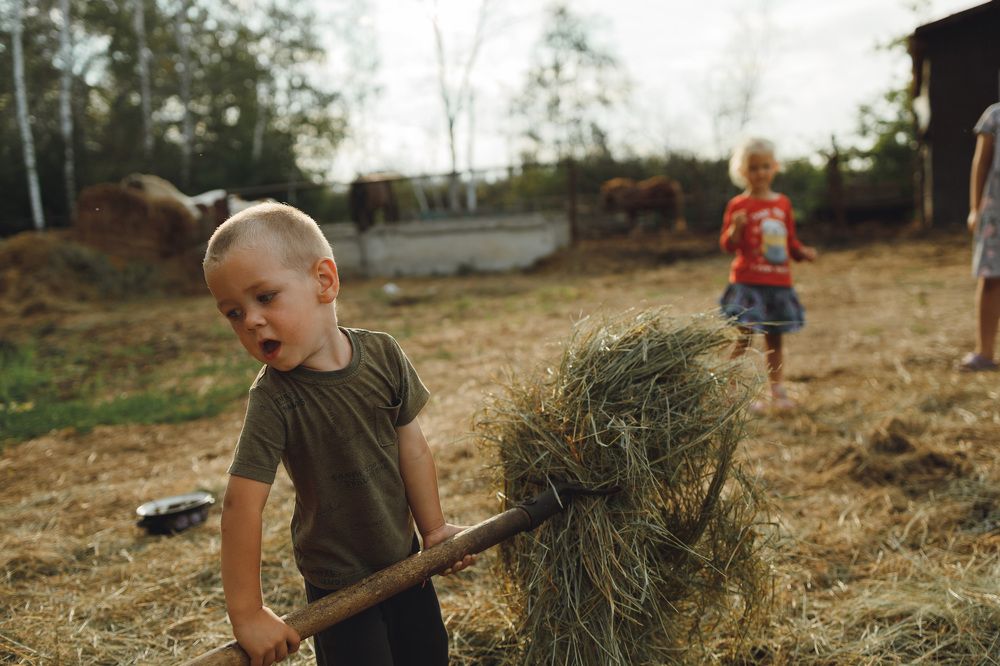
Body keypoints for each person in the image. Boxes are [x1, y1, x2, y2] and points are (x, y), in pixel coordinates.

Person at [202, 202, 473, 666]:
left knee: (428, 655)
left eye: (265, 297)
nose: (250, 321)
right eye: (233, 312)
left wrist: (433, 531)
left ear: (324, 281)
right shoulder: (274, 398)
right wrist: (247, 614)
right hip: (337, 586)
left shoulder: (383, 355)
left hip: (406, 561)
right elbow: (241, 505)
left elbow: (411, 447)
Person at [719, 138, 817, 412]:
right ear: (742, 171)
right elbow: (728, 245)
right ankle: (730, 390)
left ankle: (777, 390)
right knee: (744, 337)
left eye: (765, 166)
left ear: (775, 167)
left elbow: (789, 241)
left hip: (778, 283)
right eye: (753, 168)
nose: (760, 173)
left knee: (775, 340)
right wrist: (735, 229)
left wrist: (802, 253)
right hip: (748, 283)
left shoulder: (783, 203)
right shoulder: (738, 205)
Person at [960, 102, 1000, 371]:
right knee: (991, 279)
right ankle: (985, 352)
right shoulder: (995, 116)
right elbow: (981, 163)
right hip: (996, 213)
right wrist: (975, 209)